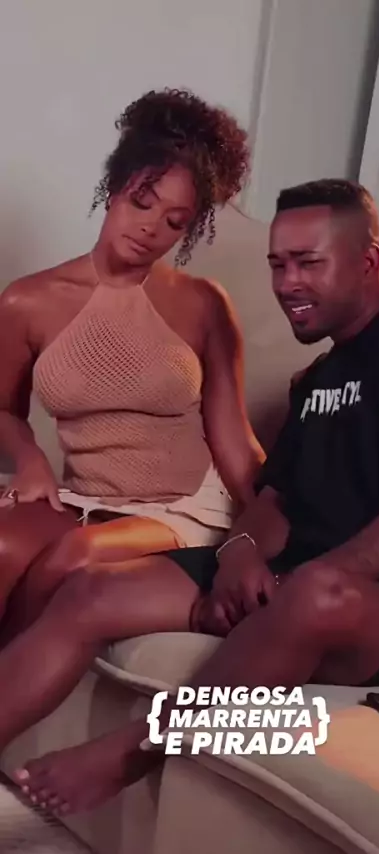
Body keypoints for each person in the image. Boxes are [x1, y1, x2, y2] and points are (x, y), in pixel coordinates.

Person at [5, 178, 379, 814]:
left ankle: (126, 755)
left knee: (316, 593)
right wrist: (240, 554)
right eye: (278, 265)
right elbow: (273, 498)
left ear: (367, 261)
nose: (287, 284)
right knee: (92, 588)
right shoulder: (321, 375)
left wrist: (285, 587)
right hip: (297, 574)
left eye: (308, 263)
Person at [0, 88, 263, 631]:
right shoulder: (26, 302)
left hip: (183, 506)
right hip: (83, 499)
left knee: (71, 558)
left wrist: (275, 522)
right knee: (4, 547)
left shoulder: (204, 304)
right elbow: (3, 410)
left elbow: (234, 441)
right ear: (115, 185)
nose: (150, 228)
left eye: (174, 221)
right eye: (143, 203)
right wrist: (29, 460)